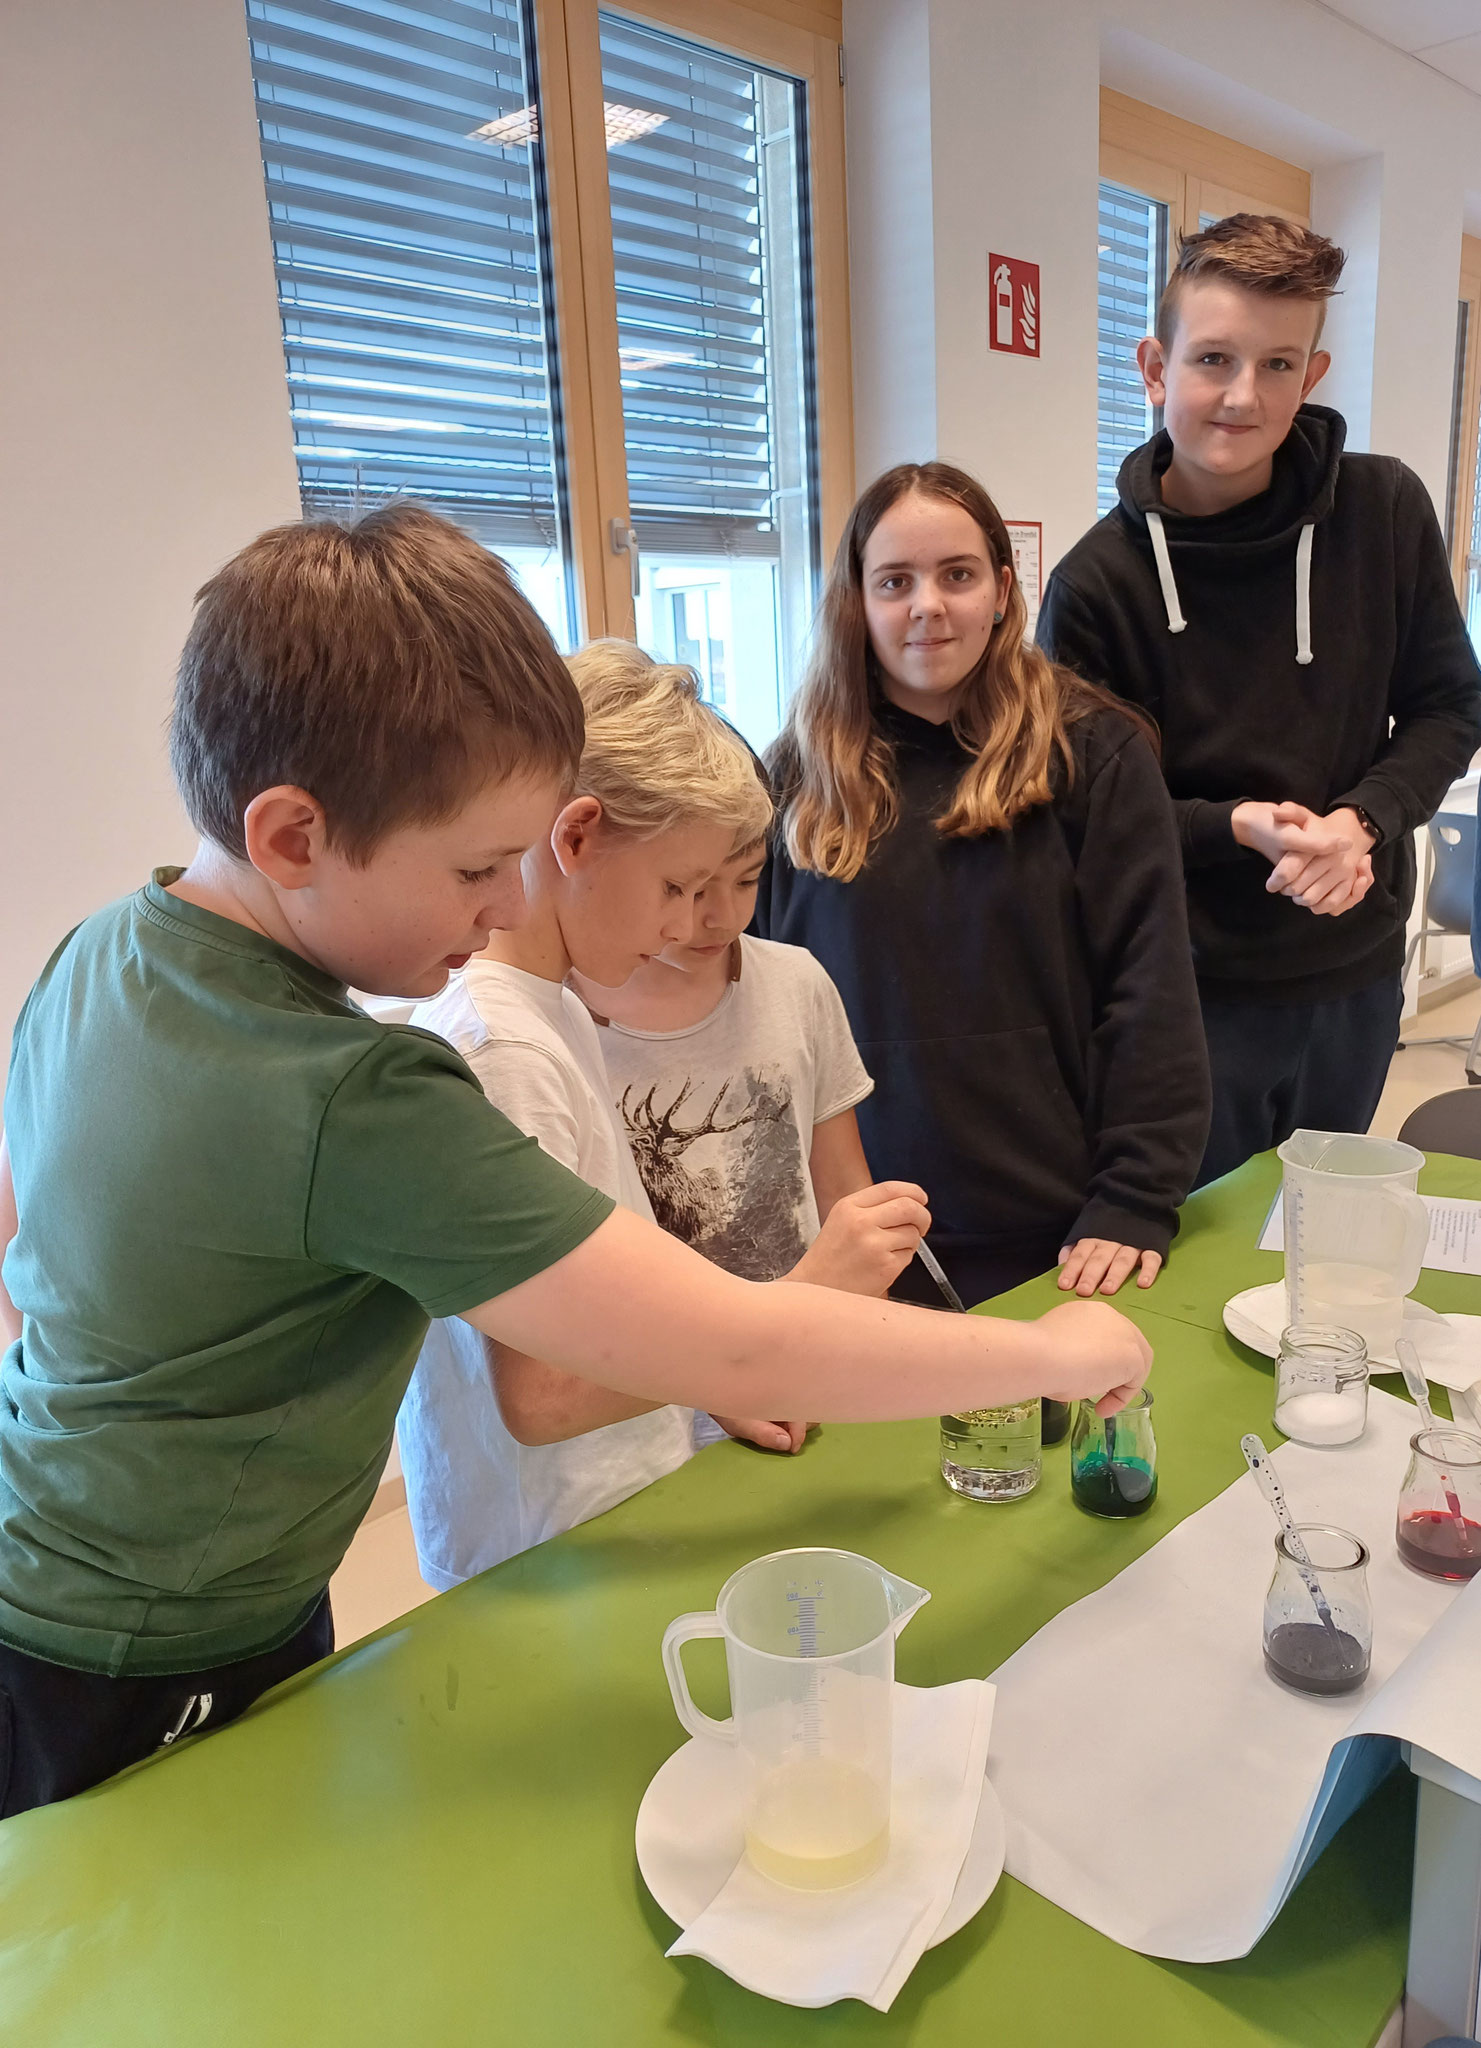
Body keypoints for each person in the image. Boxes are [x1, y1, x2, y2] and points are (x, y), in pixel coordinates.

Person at [0, 503, 1150, 1817]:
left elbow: (29, 1234)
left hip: (73, 1562)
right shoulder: (362, 1095)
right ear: (292, 838)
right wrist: (1053, 1352)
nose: (508, 902)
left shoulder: (107, 945)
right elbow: (729, 1348)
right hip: (146, 1649)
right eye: (477, 867)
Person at [399, 652, 917, 1584]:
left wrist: (721, 1375)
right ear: (576, 836)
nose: (687, 927)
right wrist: (794, 1302)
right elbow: (543, 1397)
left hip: (619, 1496)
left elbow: (608, 1303)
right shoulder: (503, 1050)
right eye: (674, 887)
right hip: (551, 1548)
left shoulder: (556, 1008)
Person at [1037, 213, 1481, 1183]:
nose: (1242, 395)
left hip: (1353, 976)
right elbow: (1080, 810)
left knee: (1320, 1227)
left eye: (1276, 364)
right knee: (1192, 1241)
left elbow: (1450, 703)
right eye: (1212, 359)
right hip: (1182, 988)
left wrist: (1362, 821)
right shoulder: (1095, 585)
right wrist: (1234, 825)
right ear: (1154, 368)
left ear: (1310, 375)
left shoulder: (1383, 510)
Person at [754, 463, 1211, 1316]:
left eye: (956, 575)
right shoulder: (796, 779)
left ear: (1002, 591)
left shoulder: (1091, 755)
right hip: (852, 1233)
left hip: (1053, 1231)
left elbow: (1148, 989)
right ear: (857, 600)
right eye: (895, 581)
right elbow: (757, 1008)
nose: (926, 605)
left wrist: (1136, 1193)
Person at [566, 645, 878, 1346]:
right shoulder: (545, 1023)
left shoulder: (797, 984)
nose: (717, 917)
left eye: (746, 880)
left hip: (805, 1364)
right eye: (684, 886)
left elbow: (845, 1197)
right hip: (649, 1389)